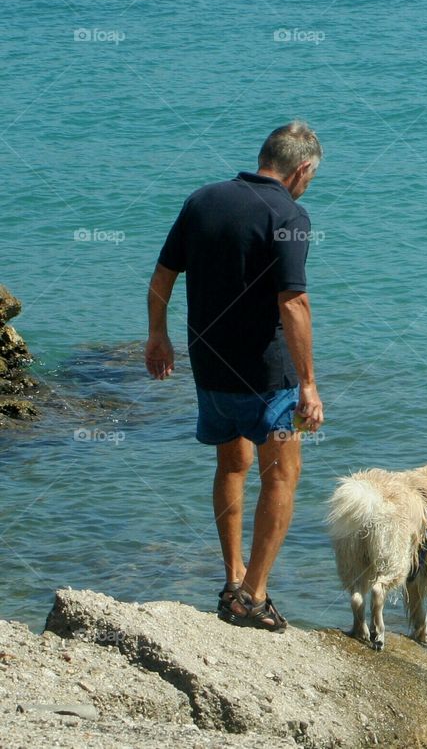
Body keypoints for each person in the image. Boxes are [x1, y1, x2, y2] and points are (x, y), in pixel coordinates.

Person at [144, 121, 325, 632]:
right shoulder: (288, 214)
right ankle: (254, 596)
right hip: (267, 375)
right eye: (311, 177)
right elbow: (293, 301)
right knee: (283, 474)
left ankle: (232, 580)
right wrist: (308, 383)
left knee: (232, 464)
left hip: (208, 364)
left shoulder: (203, 200)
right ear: (302, 168)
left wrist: (157, 336)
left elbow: (162, 277)